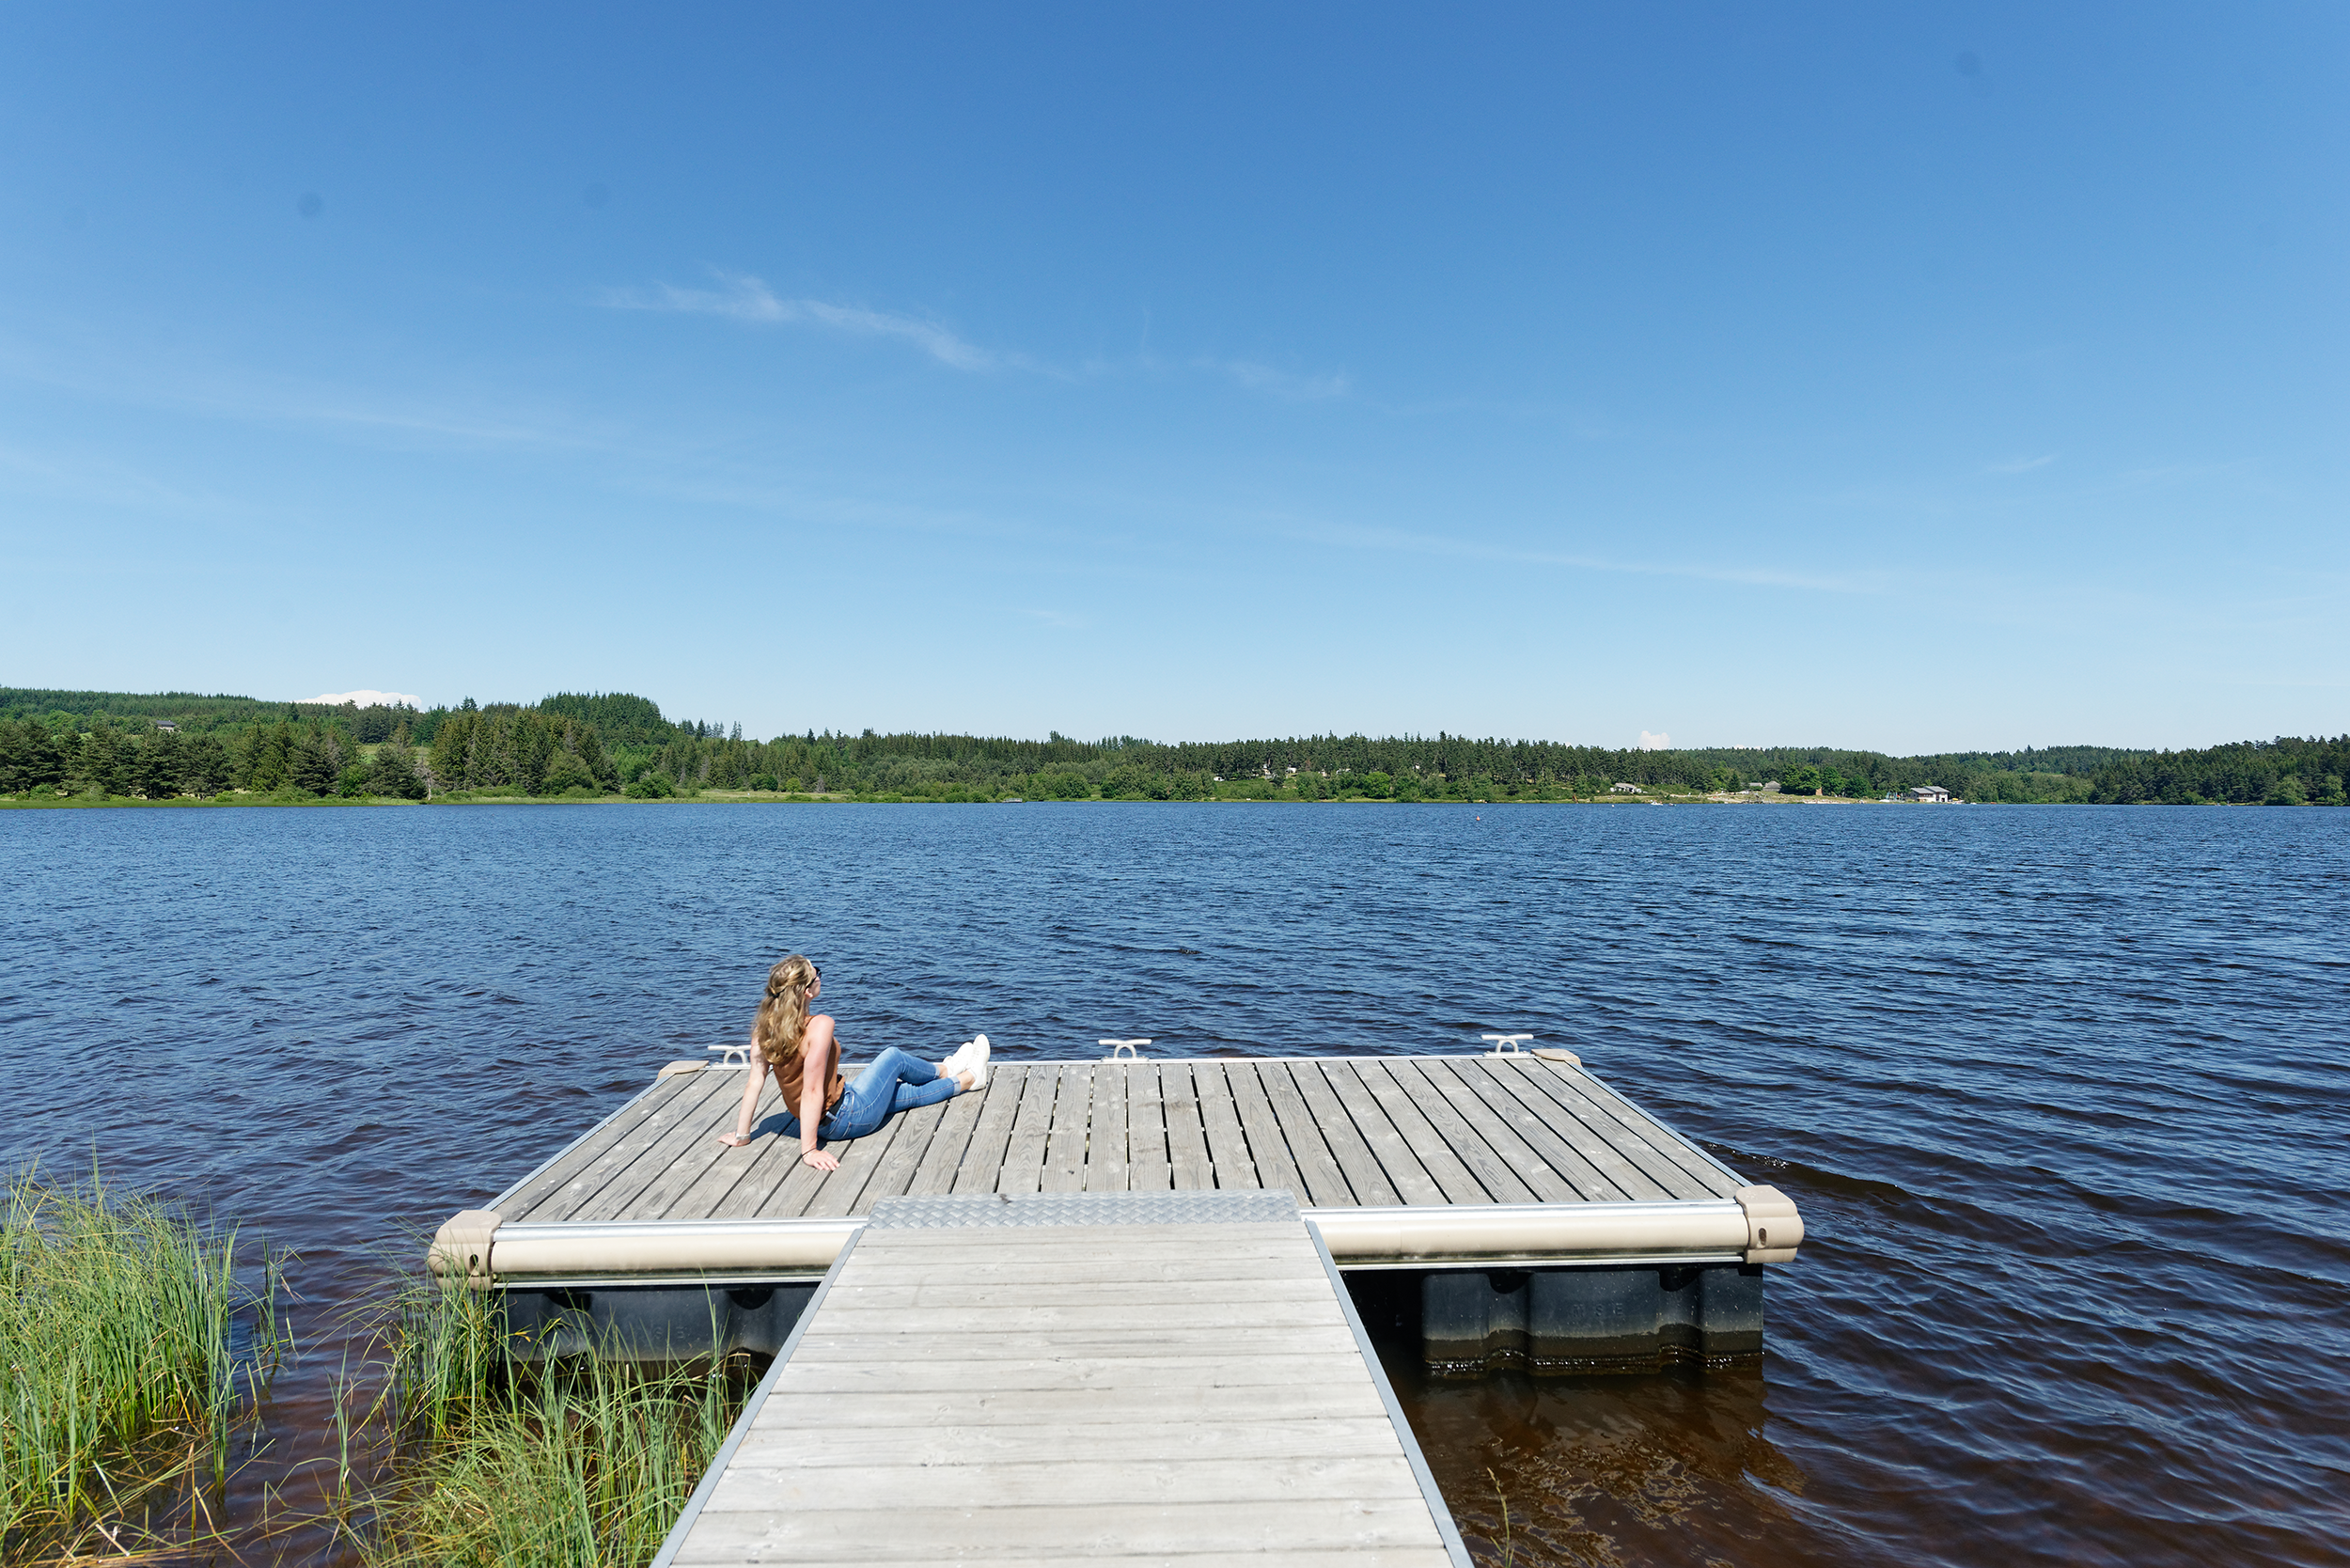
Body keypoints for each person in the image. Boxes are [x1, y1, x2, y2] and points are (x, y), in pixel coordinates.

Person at [714, 954, 988, 1170]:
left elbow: (755, 1081)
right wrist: (809, 1150)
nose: (820, 978)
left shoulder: (764, 1028)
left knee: (902, 1093)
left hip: (832, 1111)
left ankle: (966, 1079)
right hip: (845, 1117)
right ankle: (947, 1069)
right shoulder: (819, 1026)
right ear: (807, 992)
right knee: (893, 1057)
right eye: (816, 974)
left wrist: (742, 1136)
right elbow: (811, 1092)